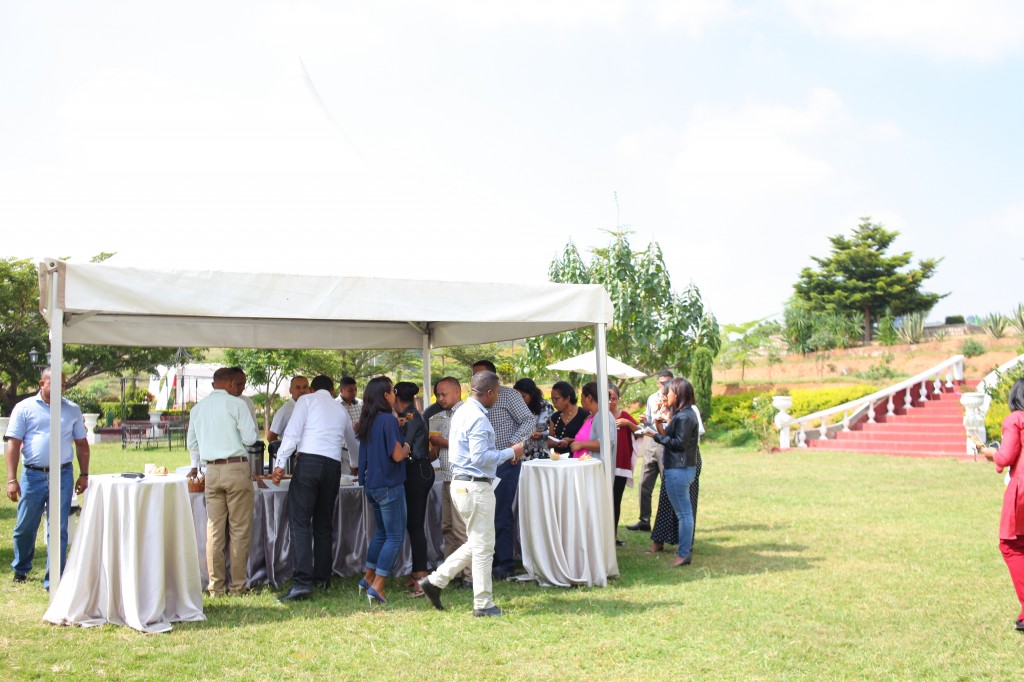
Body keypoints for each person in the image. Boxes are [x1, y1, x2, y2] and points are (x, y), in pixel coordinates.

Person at [418, 370, 525, 617]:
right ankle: (483, 603)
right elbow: (480, 458)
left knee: (478, 542)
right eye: (497, 393)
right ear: (489, 393)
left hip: (461, 483)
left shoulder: (463, 412)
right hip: (475, 485)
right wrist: (511, 451)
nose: (498, 397)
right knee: (484, 547)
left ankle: (436, 581)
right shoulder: (477, 418)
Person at [273, 375, 358, 601]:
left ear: (312, 389)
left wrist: (280, 463)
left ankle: (302, 582)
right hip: (333, 466)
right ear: (332, 390)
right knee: (323, 523)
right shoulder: (341, 410)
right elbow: (352, 442)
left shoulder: (306, 401)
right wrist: (357, 465)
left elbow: (292, 433)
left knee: (300, 522)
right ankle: (322, 577)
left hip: (309, 463)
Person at [5, 369, 90, 588]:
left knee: (58, 527)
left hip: (62, 475)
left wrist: (84, 474)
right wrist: (11, 479)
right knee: (25, 526)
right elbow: (13, 444)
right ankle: (21, 568)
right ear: (41, 383)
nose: (62, 388)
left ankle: (54, 580)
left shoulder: (72, 409)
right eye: (57, 383)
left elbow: (81, 444)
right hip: (32, 475)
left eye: (64, 384)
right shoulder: (24, 408)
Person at [186, 367, 259, 595]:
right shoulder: (237, 405)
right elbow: (251, 438)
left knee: (215, 530)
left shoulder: (198, 409)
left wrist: (197, 465)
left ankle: (215, 587)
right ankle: (237, 586)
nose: (240, 388)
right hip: (236, 467)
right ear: (229, 384)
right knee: (239, 529)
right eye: (237, 383)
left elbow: (192, 444)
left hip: (212, 471)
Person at [470, 360, 534, 580]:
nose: (477, 381)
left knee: (501, 513)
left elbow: (528, 421)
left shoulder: (508, 396)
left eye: (481, 376)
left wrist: (512, 447)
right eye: (474, 377)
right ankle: (489, 561)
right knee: (484, 514)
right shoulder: (471, 403)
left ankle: (505, 563)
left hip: (505, 463)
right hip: (482, 465)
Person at [357, 376, 411, 605]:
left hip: (372, 484)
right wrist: (407, 446)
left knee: (381, 533)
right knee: (395, 536)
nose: (395, 395)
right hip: (390, 485)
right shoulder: (388, 420)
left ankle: (368, 578)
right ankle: (378, 585)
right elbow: (397, 455)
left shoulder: (369, 420)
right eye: (392, 391)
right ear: (385, 396)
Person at [981, 378, 1024, 632]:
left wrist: (990, 454)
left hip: (1021, 491)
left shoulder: (1015, 419)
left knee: (1010, 545)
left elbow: (1006, 456)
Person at [650, 378, 699, 567]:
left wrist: (654, 436)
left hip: (679, 469)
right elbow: (668, 434)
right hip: (677, 468)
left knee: (684, 515)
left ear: (677, 394)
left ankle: (683, 554)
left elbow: (678, 444)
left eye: (669, 392)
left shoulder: (686, 416)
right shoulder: (680, 415)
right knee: (684, 514)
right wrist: (656, 424)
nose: (666, 395)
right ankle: (683, 552)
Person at [428, 377, 472, 587]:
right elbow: (434, 451)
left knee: (462, 529)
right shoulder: (439, 416)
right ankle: (452, 571)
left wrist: (440, 442)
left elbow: (469, 445)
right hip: (446, 477)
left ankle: (470, 576)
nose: (440, 398)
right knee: (448, 527)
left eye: (444, 394)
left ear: (458, 392)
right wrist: (431, 446)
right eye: (437, 394)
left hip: (462, 478)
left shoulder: (467, 414)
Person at [394, 381, 435, 597]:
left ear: (395, 396)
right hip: (417, 470)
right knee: (413, 524)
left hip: (417, 470)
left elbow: (404, 446)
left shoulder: (410, 416)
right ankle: (416, 572)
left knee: (416, 525)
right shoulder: (411, 413)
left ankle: (421, 576)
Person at [628, 370, 673, 532]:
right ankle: (644, 520)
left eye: (668, 382)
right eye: (662, 382)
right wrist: (646, 421)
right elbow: (648, 421)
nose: (664, 386)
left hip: (668, 443)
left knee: (667, 485)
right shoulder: (652, 398)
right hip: (653, 442)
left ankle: (667, 523)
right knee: (644, 483)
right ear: (657, 383)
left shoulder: (675, 398)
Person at [608, 384, 640, 546]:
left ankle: (612, 536)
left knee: (615, 500)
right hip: (603, 466)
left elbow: (640, 433)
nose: (610, 402)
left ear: (618, 399)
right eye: (607, 398)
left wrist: (628, 424)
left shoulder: (624, 416)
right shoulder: (598, 416)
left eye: (613, 398)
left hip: (620, 466)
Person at [568, 381, 617, 463]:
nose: (581, 400)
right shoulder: (591, 417)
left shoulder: (602, 416)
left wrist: (581, 444)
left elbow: (606, 443)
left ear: (589, 398)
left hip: (595, 471)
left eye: (582, 397)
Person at [513, 378, 554, 460]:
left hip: (542, 453)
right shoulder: (515, 408)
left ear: (532, 394)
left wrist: (542, 434)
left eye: (523, 397)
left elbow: (554, 431)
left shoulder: (546, 407)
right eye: (517, 397)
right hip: (522, 455)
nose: (520, 400)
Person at [549, 381, 589, 455]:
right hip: (558, 459)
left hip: (577, 458)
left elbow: (588, 440)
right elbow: (549, 441)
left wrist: (570, 440)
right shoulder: (555, 417)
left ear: (567, 398)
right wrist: (556, 443)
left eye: (556, 399)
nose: (554, 403)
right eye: (552, 399)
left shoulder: (583, 415)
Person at [267, 376, 311, 442]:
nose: (302, 390)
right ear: (290, 390)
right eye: (297, 387)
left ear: (309, 389)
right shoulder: (285, 411)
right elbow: (270, 437)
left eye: (305, 387)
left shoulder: (312, 407)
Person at [336, 376, 362, 474]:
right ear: (341, 390)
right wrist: (351, 426)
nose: (354, 393)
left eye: (355, 390)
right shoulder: (335, 405)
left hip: (359, 448)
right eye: (350, 390)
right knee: (345, 480)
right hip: (343, 450)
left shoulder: (360, 404)